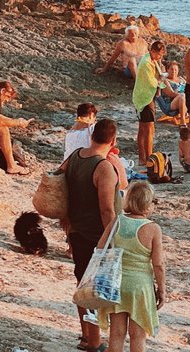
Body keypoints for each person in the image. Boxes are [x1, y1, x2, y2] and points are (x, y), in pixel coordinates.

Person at [61, 118, 122, 352]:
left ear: (93, 135)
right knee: (94, 289)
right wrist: (112, 241)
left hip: (76, 230)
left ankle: (87, 336)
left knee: (81, 284)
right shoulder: (103, 167)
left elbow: (58, 178)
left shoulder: (76, 156)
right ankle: (94, 341)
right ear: (113, 140)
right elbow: (107, 209)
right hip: (96, 235)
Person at [96, 182, 166, 352]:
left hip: (117, 283)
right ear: (148, 204)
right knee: (137, 335)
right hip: (140, 287)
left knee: (117, 334)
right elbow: (158, 264)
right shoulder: (153, 228)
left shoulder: (117, 221)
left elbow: (100, 248)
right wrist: (162, 290)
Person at [65, 103, 127, 189]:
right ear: (91, 115)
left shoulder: (69, 133)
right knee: (113, 157)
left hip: (70, 166)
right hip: (88, 166)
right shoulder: (92, 129)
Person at [133, 40, 166, 169]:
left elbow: (158, 77)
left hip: (145, 97)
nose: (160, 57)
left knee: (143, 128)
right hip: (144, 98)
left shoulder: (152, 60)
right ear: (153, 51)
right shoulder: (146, 63)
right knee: (148, 129)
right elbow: (153, 82)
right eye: (159, 54)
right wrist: (160, 80)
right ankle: (148, 158)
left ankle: (143, 158)